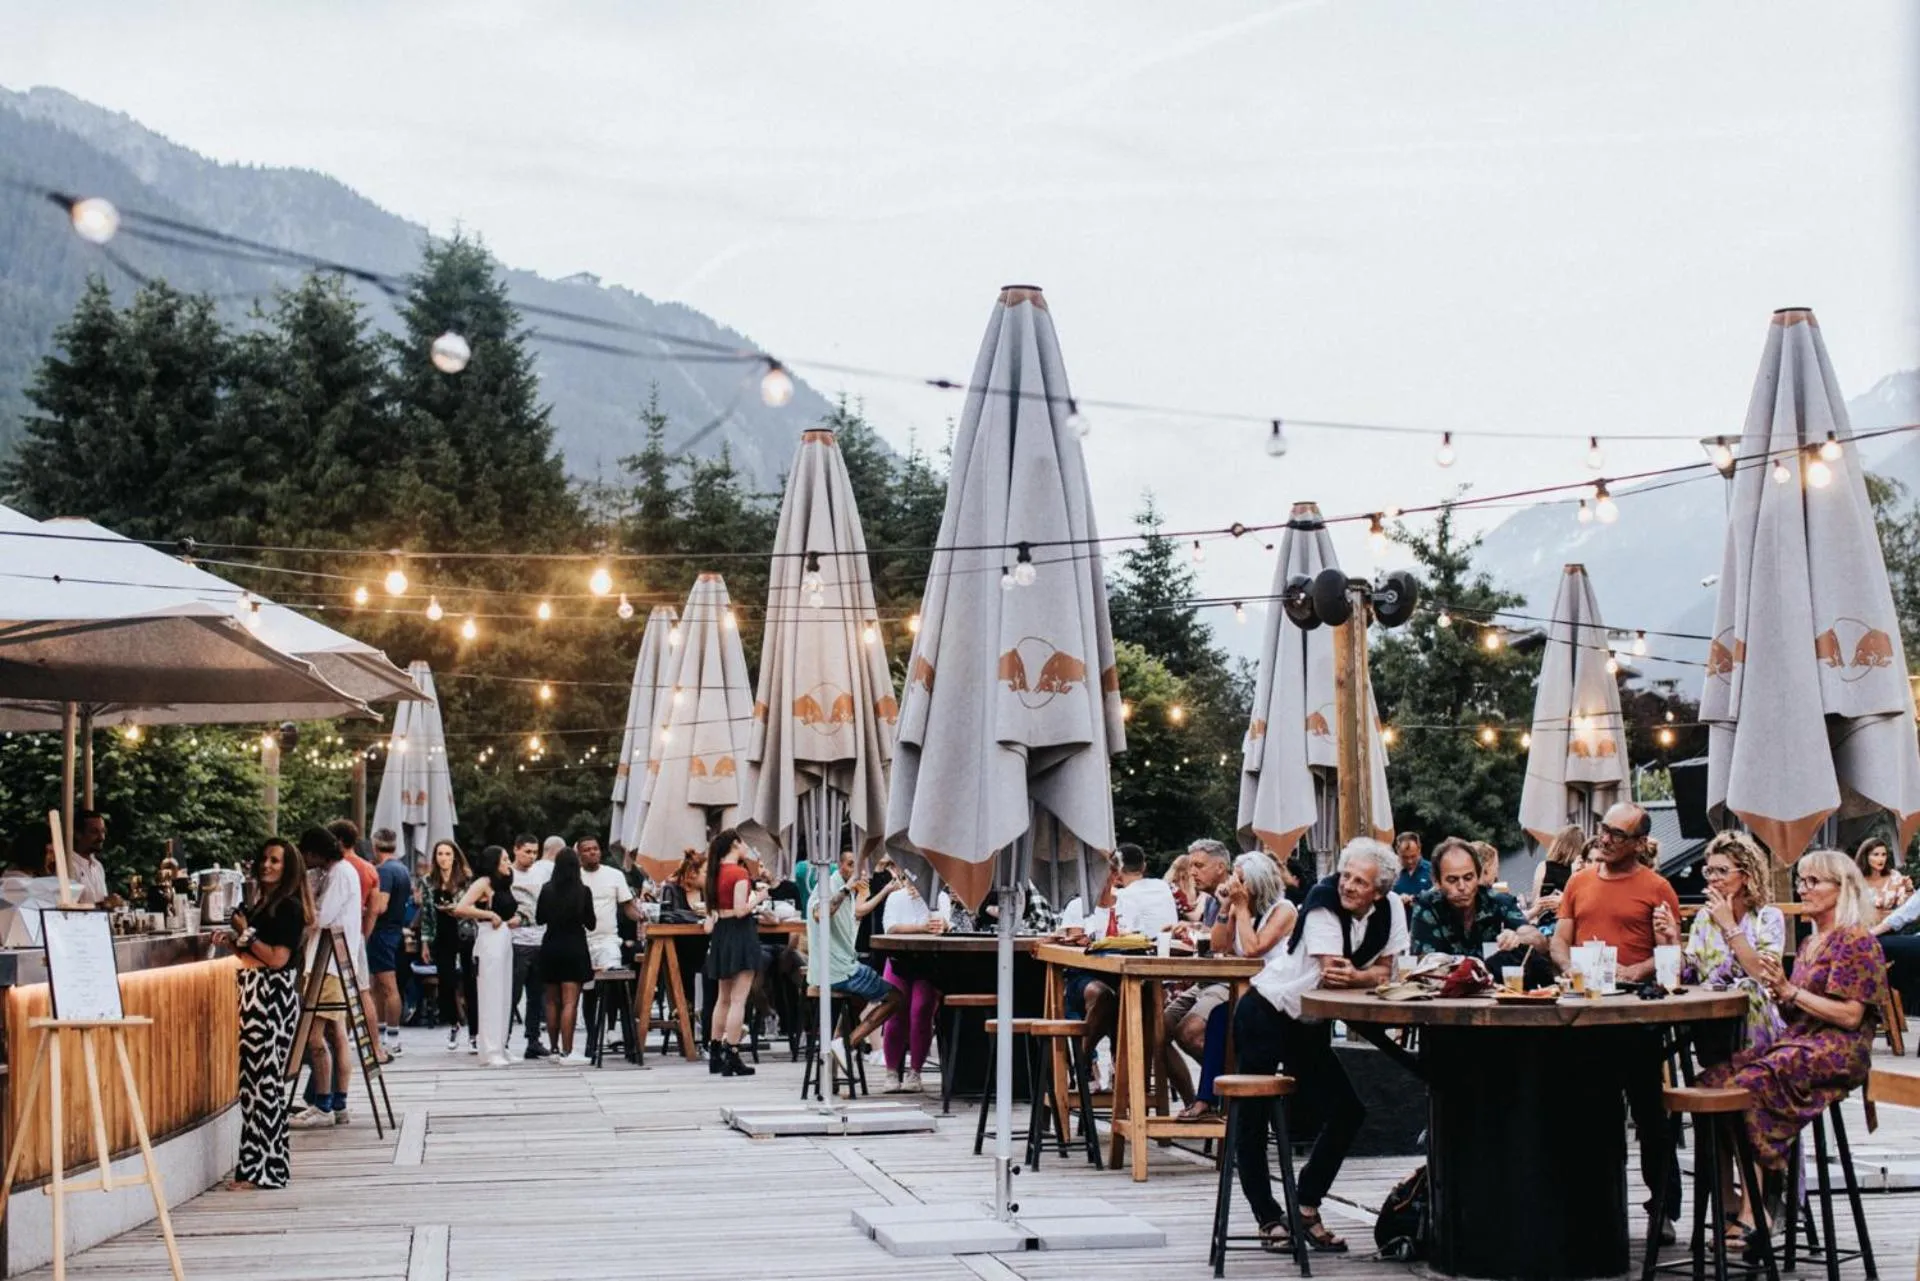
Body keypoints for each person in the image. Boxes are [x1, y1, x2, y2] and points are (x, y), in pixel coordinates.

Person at [1702, 849, 1889, 1248]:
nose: (1803, 889)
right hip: (1802, 1040)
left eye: (1813, 882)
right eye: (1801, 880)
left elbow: (1851, 1016)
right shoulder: (1810, 943)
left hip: (1839, 1049)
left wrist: (1791, 991)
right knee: (1712, 1084)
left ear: (1843, 889)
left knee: (1751, 1084)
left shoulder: (1854, 941)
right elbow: (1796, 1011)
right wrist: (1781, 993)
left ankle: (1760, 1207)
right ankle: (1735, 1200)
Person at [1232, 837, 1408, 1253]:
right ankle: (1269, 1218)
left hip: (1308, 1021)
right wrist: (1373, 974)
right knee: (1254, 1118)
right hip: (1267, 1009)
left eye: (1359, 882)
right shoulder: (1321, 900)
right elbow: (1334, 974)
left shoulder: (1393, 908)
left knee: (1348, 1110)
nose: (1346, 885)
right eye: (1345, 875)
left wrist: (1369, 975)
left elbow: (1389, 969)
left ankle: (1306, 1205)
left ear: (1379, 891)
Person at [1549, 801, 1684, 1239]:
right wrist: (1569, 967)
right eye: (1604, 829)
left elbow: (1669, 952)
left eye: (1618, 835)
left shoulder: (1658, 887)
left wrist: (1634, 971)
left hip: (1636, 1011)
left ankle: (1661, 1207)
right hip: (1586, 1009)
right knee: (1589, 1112)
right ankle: (1592, 1208)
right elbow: (1559, 942)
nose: (1605, 839)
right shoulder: (1579, 881)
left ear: (1640, 843)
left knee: (1649, 1115)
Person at [1166, 851, 1295, 1120]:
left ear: (1259, 882)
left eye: (1242, 880)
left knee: (1216, 1020)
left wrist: (1242, 908)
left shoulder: (1283, 910)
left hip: (1272, 1000)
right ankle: (1218, 1096)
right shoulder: (1239, 907)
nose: (1235, 885)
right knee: (1212, 1020)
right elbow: (1219, 946)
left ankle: (1214, 1098)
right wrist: (1226, 909)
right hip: (1243, 992)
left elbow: (1252, 949)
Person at [222, 836, 312, 1188]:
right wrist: (234, 941)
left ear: (288, 867)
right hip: (255, 994)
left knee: (266, 1086)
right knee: (252, 1085)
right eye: (264, 859)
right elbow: (252, 957)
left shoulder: (288, 907)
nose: (267, 866)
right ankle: (253, 1168)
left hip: (272, 999)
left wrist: (245, 934)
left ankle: (270, 1169)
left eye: (275, 861)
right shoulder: (264, 904)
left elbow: (276, 959)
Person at [1676, 831, 1787, 1063]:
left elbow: (1763, 975)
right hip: (1711, 1019)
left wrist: (1729, 925)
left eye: (1722, 871)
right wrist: (1669, 939)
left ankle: (1752, 1073)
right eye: (1709, 871)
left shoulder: (1768, 917)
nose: (1713, 878)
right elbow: (1689, 971)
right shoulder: (1704, 918)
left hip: (1756, 1021)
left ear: (1746, 876)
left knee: (1749, 988)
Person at [290, 827, 362, 1128]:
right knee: (336, 1034)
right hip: (336, 963)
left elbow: (321, 916)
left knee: (315, 1036)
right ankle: (337, 1102)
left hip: (327, 965)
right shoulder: (340, 872)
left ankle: (322, 1105)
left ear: (316, 852)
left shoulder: (339, 874)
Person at [1408, 840, 1548, 984]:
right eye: (1452, 880)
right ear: (1436, 881)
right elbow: (1422, 962)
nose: (1462, 886)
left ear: (1478, 876)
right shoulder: (1427, 905)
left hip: (1495, 992)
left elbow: (1539, 940)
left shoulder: (1497, 900)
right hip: (1444, 992)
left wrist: (1517, 937)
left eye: (1468, 878)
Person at [821, 849, 906, 1072]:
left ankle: (835, 1065)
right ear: (840, 866)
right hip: (848, 961)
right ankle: (846, 1045)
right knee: (894, 998)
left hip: (843, 961)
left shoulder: (856, 885)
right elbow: (859, 911)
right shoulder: (840, 888)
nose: (860, 871)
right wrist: (885, 890)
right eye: (851, 865)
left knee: (855, 1003)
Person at [876, 875, 948, 1092]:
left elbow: (944, 923)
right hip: (899, 958)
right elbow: (890, 928)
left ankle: (915, 1072)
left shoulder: (939, 897)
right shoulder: (896, 897)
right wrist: (921, 927)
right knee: (894, 1011)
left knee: (921, 1011)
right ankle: (891, 1071)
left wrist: (942, 924)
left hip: (928, 961)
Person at [704, 829, 764, 1076]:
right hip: (740, 932)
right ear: (735, 844)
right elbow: (741, 910)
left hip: (721, 932)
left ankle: (715, 1051)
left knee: (723, 998)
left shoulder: (713, 872)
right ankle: (733, 1053)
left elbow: (714, 911)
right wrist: (758, 897)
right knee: (739, 999)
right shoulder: (739, 873)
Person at [455, 845, 520, 1067]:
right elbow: (461, 907)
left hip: (504, 935)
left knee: (504, 993)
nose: (508, 863)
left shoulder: (505, 884)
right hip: (488, 936)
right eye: (504, 860)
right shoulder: (483, 883)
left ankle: (501, 1044)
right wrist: (488, 913)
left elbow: (507, 911)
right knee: (491, 994)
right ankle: (490, 1049)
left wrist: (513, 918)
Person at [327, 819, 386, 1062]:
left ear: (338, 841)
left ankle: (336, 1046)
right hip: (357, 935)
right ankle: (375, 1049)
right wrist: (365, 933)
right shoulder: (370, 869)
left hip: (334, 938)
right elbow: (374, 908)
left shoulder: (334, 867)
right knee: (363, 992)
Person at [536, 846, 595, 1064]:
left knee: (551, 1002)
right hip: (574, 946)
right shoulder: (583, 891)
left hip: (551, 945)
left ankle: (553, 1049)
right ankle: (568, 1051)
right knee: (570, 1002)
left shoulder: (546, 889)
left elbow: (539, 918)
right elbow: (591, 923)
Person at [419, 840, 477, 1052]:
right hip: (441, 933)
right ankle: (453, 1023)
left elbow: (473, 907)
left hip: (465, 932)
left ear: (455, 856)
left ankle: (474, 1033)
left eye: (448, 853)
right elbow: (426, 913)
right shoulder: (427, 881)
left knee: (470, 982)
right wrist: (424, 942)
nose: (443, 858)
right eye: (440, 854)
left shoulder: (466, 879)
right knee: (446, 981)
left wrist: (458, 909)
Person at [365, 829, 411, 1060]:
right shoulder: (403, 869)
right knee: (378, 987)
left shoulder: (383, 871)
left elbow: (380, 906)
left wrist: (362, 908)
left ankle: (393, 1038)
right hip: (395, 932)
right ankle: (382, 1033)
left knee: (387, 986)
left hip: (382, 932)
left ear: (375, 846)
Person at [508, 834, 551, 1059]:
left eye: (535, 852)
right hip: (517, 940)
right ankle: (502, 1041)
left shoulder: (542, 872)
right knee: (512, 994)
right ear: (516, 849)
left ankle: (533, 1040)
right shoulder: (507, 874)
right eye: (527, 851)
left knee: (537, 995)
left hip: (539, 938)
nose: (531, 856)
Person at [1527, 824, 1583, 931]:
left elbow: (1536, 901)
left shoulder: (1544, 867)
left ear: (1557, 844)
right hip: (1571, 926)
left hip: (1545, 924)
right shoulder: (1580, 870)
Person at [1856, 836, 1912, 913]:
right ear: (1865, 857)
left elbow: (1907, 908)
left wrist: (1909, 889)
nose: (1881, 859)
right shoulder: (1856, 880)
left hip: (1891, 923)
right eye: (1876, 854)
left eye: (1884, 854)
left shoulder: (1894, 876)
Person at [68, 809, 111, 905]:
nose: (101, 837)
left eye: (103, 831)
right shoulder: (69, 866)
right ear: (78, 834)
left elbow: (102, 901)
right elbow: (70, 908)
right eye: (94, 832)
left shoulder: (98, 866)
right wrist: (105, 904)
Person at [1391, 831, 1430, 903]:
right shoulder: (1390, 872)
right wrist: (1397, 900)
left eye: (1413, 856)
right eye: (1405, 857)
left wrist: (1416, 899)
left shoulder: (1432, 870)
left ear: (1419, 849)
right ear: (1397, 851)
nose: (1410, 861)